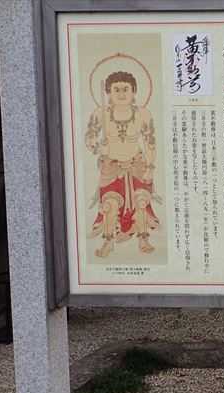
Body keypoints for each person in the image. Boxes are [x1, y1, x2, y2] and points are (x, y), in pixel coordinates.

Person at [85, 70, 159, 258]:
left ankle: (143, 239)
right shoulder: (100, 113)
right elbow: (90, 139)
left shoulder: (143, 114)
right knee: (109, 205)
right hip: (111, 168)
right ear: (108, 93)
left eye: (125, 89)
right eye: (116, 89)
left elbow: (150, 143)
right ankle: (108, 241)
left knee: (141, 202)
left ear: (134, 91)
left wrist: (150, 168)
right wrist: (99, 148)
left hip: (137, 166)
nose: (121, 94)